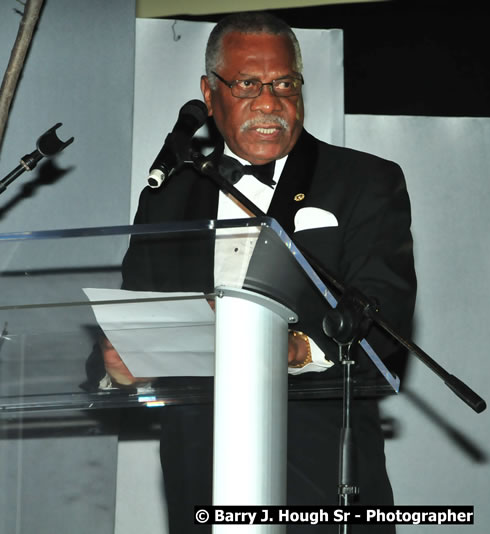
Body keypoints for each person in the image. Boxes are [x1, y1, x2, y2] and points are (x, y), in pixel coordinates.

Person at [108, 11, 416, 533]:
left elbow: (384, 313)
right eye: (248, 84)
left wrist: (298, 346)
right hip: (199, 486)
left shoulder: (363, 181)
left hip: (325, 486)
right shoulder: (168, 198)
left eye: (285, 84)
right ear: (209, 94)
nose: (270, 103)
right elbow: (137, 316)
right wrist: (119, 360)